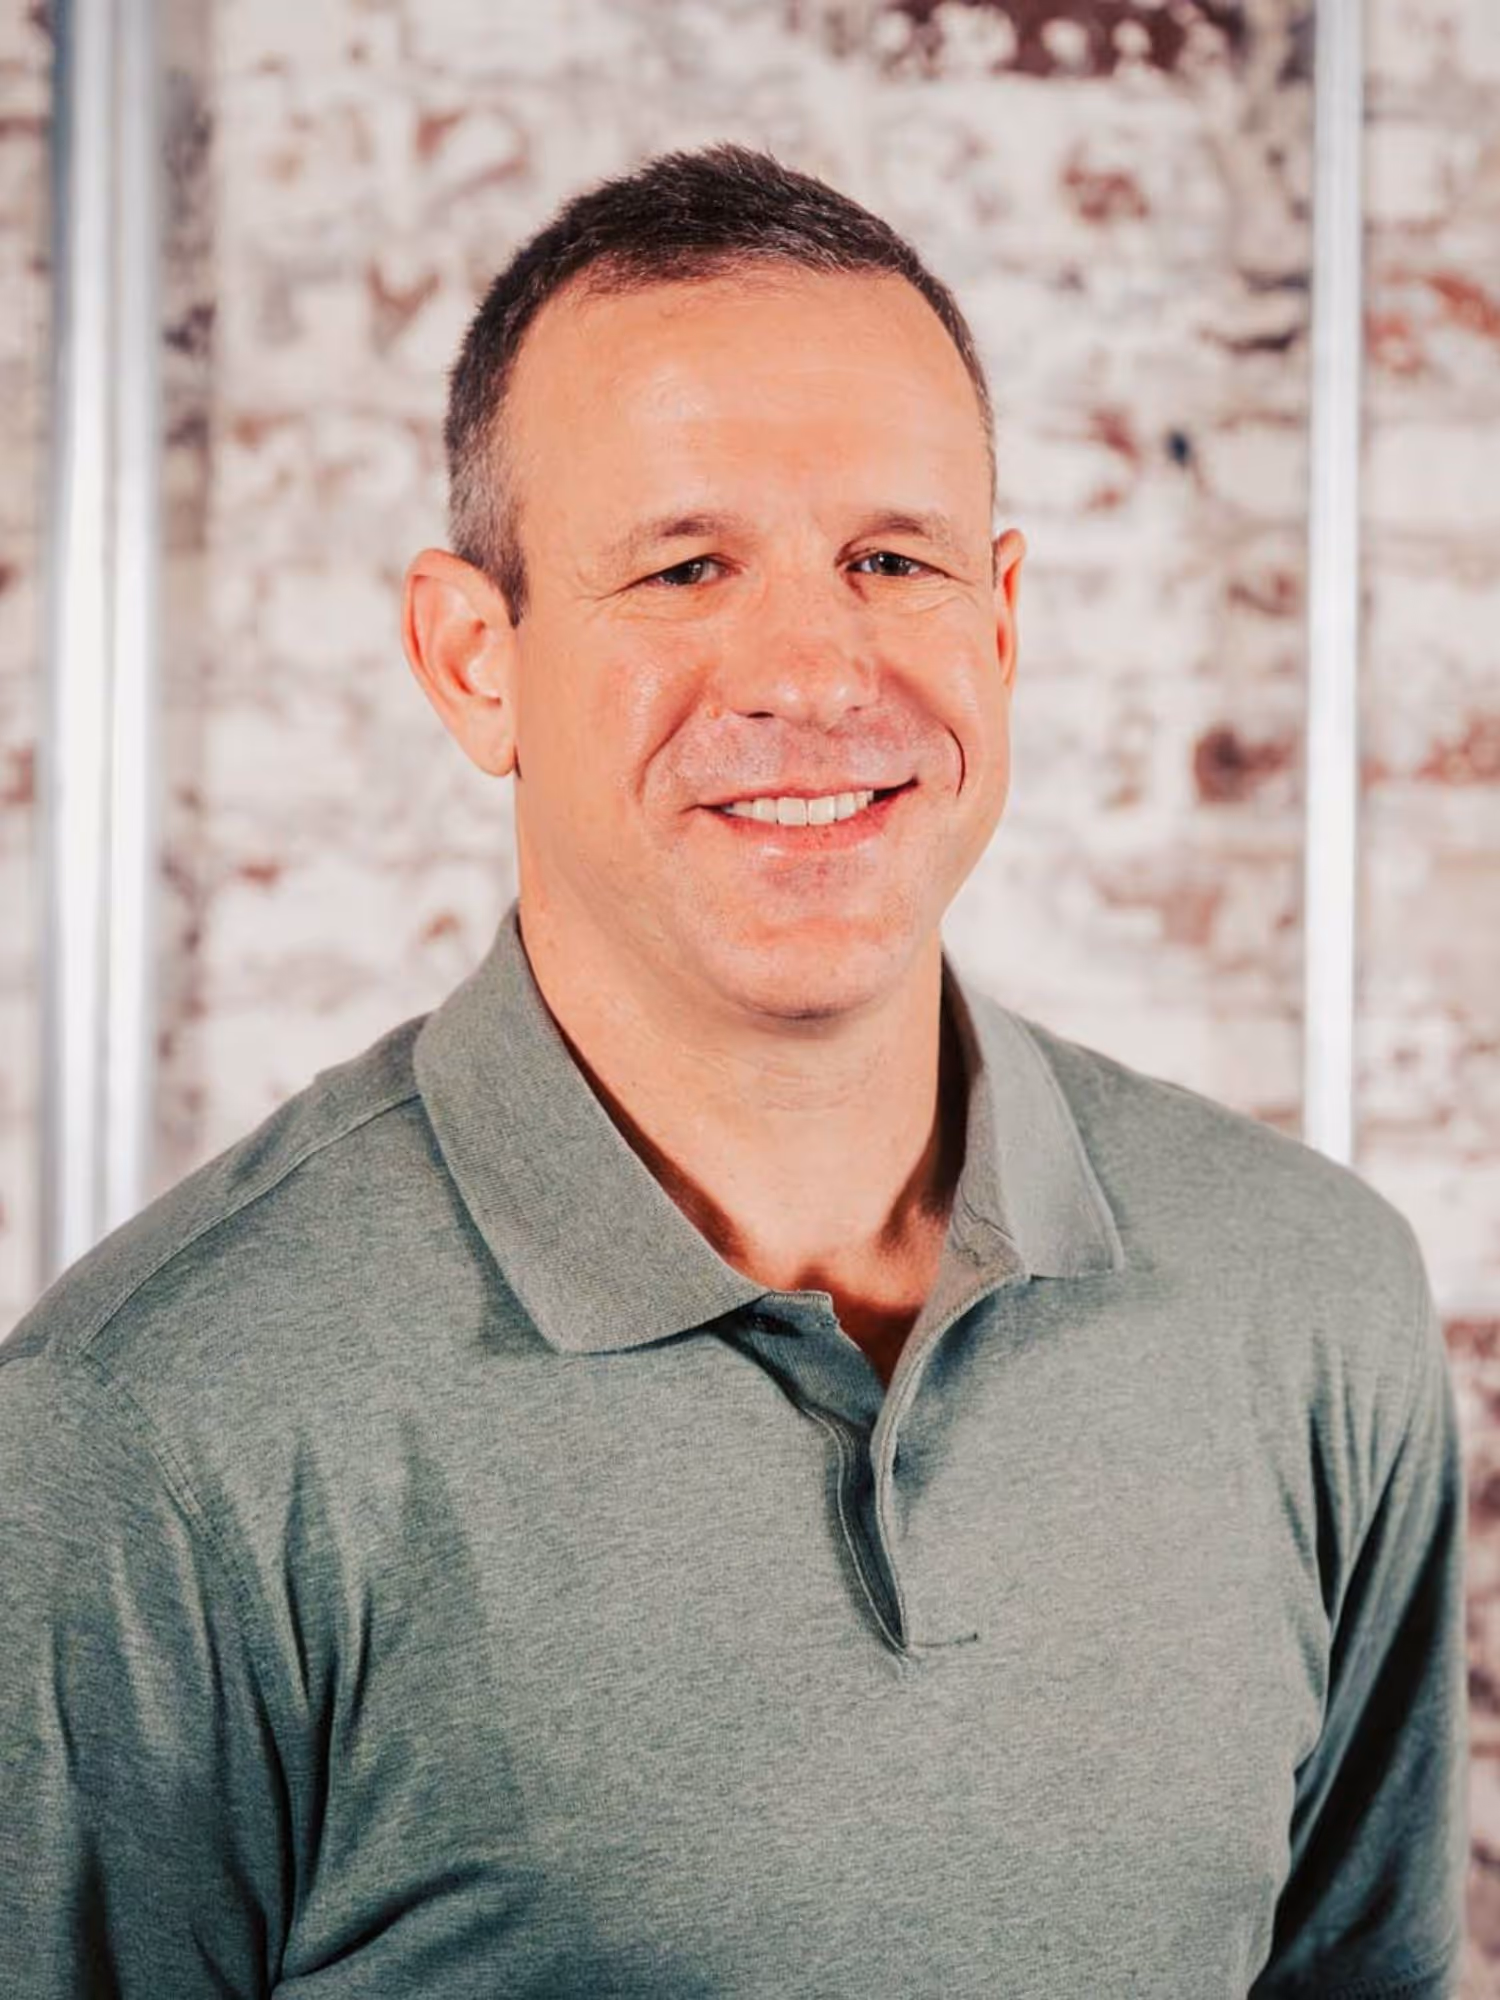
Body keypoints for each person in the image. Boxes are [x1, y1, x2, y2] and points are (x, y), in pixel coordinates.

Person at [0, 144, 1467, 1998]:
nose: (815, 672)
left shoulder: (1310, 1298)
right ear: (473, 662)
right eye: (686, 566)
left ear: (1002, 622)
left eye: (892, 560)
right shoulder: (151, 1430)